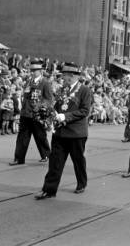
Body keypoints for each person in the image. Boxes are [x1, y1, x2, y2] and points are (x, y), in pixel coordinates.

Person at [35, 63, 92, 199]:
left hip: (76, 133)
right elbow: (56, 106)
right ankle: (49, 190)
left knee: (78, 160)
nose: (62, 79)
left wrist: (65, 116)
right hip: (60, 132)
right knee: (55, 162)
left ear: (71, 76)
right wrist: (49, 112)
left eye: (64, 76)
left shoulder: (84, 90)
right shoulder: (62, 90)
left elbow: (85, 111)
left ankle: (81, 183)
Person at [9, 59, 52, 165]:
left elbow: (49, 99)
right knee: (22, 137)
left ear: (40, 71)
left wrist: (41, 106)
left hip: (37, 114)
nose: (32, 72)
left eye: (34, 70)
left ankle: (46, 155)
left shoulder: (45, 83)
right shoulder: (28, 81)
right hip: (25, 113)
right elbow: (26, 96)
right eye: (31, 70)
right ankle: (19, 158)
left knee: (40, 136)